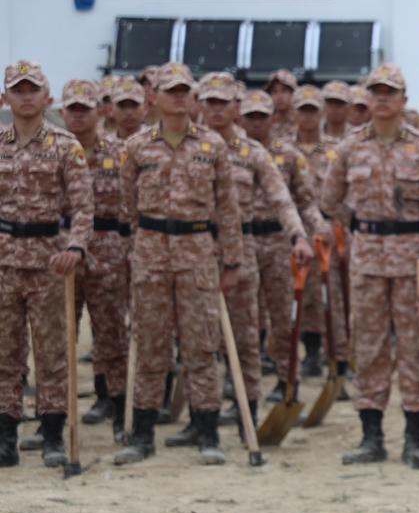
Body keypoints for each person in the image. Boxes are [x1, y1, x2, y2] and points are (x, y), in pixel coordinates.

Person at [115, 62, 244, 466]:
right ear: (154, 96)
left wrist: (233, 260)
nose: (176, 97)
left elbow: (228, 208)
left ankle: (207, 432)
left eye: (183, 90)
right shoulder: (137, 146)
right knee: (151, 344)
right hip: (151, 252)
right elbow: (128, 205)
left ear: (192, 97)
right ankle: (142, 435)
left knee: (201, 344)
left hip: (197, 252)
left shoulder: (212, 146)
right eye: (169, 90)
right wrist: (140, 244)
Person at [320, 63, 419, 467]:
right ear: (367, 99)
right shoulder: (351, 147)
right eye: (376, 92)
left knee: (413, 347)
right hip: (368, 259)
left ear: (404, 100)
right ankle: (371, 437)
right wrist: (360, 224)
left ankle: (414, 437)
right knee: (369, 345)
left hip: (411, 261)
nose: (383, 99)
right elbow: (329, 201)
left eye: (390, 92)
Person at [179, 79, 310, 444]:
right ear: (199, 105)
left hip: (242, 254)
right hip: (194, 250)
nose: (216, 109)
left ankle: (246, 414)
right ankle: (200, 416)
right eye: (210, 102)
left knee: (245, 338)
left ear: (235, 107)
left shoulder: (252, 153)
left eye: (224, 103)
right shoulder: (187, 147)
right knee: (196, 338)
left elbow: (282, 198)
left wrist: (298, 236)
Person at [0, 61, 93, 470]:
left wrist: (75, 246)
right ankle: (6, 437)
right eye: (17, 90)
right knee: (4, 352)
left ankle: (52, 433)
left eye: (32, 90)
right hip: (4, 260)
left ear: (47, 98)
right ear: (5, 98)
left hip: (49, 262)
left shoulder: (65, 145)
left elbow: (84, 206)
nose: (25, 98)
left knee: (52, 351)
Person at [59, 80, 131, 445]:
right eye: (72, 109)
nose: (78, 116)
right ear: (61, 112)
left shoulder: (120, 152)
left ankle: (118, 411)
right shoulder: (51, 152)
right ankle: (54, 418)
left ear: (100, 112)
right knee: (59, 338)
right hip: (62, 252)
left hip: (108, 251)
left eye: (84, 109)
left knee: (111, 335)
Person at [241, 92, 326, 389]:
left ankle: (287, 380)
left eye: (261, 117)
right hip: (243, 242)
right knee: (245, 320)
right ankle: (243, 387)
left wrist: (318, 227)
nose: (256, 123)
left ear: (273, 119)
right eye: (250, 116)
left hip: (278, 241)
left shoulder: (289, 156)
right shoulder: (230, 154)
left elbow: (305, 201)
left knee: (283, 319)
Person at [292, 86, 351, 384]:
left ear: (322, 113)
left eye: (313, 110)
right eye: (302, 110)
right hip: (294, 233)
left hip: (328, 233)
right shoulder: (283, 150)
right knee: (301, 298)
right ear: (294, 113)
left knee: (333, 298)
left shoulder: (335, 151)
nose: (308, 116)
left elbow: (346, 194)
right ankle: (309, 353)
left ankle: (339, 357)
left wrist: (341, 232)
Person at [265, 68, 298, 140]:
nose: (279, 97)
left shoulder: (303, 122)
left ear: (293, 93)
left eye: (284, 91)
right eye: (274, 91)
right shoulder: (265, 123)